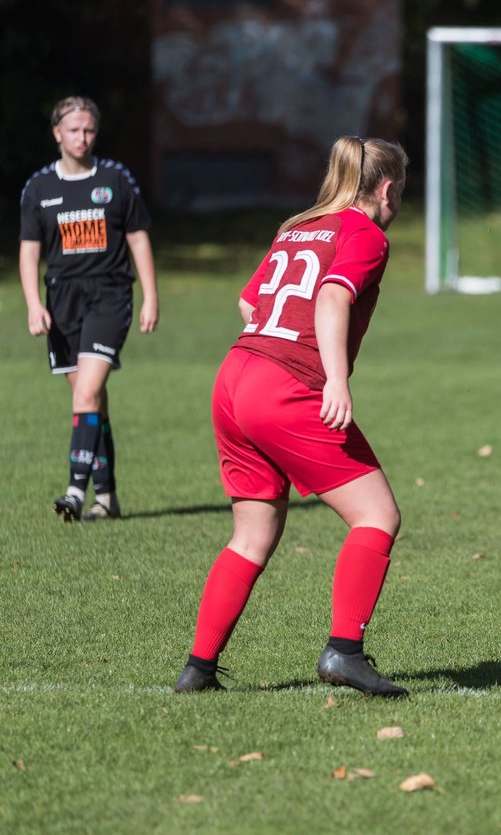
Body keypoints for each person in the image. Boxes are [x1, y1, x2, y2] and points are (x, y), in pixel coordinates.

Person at [174, 136, 410, 696]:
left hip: (234, 376)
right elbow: (331, 297)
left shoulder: (297, 227)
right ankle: (344, 652)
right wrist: (335, 377)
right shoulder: (365, 232)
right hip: (284, 386)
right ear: (386, 187)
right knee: (377, 515)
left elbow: (249, 302)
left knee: (253, 534)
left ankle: (198, 668)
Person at [19, 96, 159, 522]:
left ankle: (75, 491)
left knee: (86, 393)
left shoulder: (116, 179)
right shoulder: (39, 188)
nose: (83, 137)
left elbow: (137, 237)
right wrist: (33, 304)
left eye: (89, 130)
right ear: (57, 133)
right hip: (62, 300)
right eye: (74, 130)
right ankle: (108, 498)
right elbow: (29, 252)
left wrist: (150, 295)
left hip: (109, 296)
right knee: (93, 401)